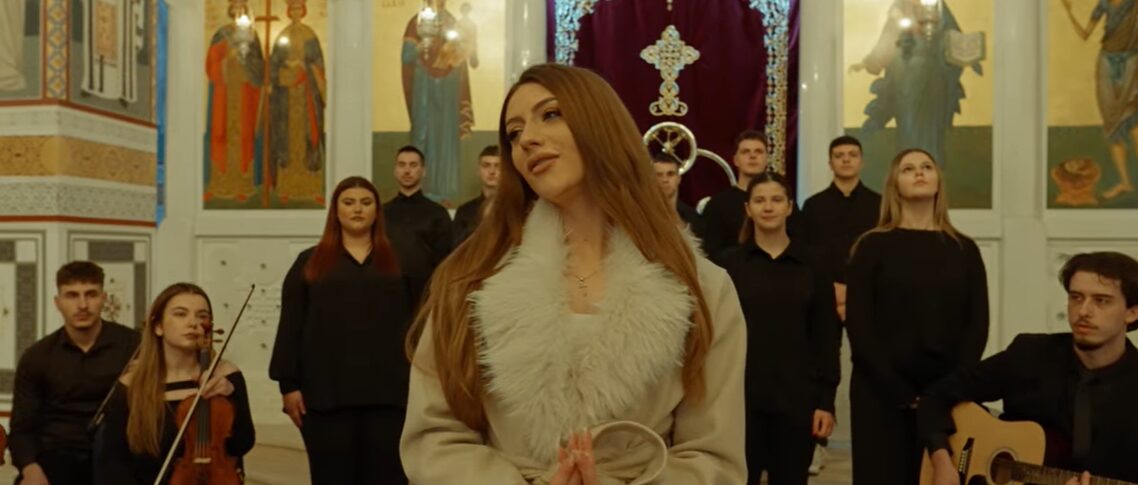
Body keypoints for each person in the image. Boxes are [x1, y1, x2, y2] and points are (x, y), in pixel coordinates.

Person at [399, 63, 747, 484]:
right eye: (514, 133)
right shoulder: (470, 280)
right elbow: (434, 438)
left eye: (550, 114)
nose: (527, 139)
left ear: (602, 125)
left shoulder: (703, 288)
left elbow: (713, 458)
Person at [920, 251, 1138, 485]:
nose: (1083, 311)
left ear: (1132, 312)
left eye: (1101, 301)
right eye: (1076, 297)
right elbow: (936, 396)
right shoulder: (1030, 354)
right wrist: (942, 462)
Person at [845, 148, 989, 484]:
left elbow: (977, 324)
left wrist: (951, 388)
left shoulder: (964, 249)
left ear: (938, 181)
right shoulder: (871, 246)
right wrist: (899, 390)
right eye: (908, 169)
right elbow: (860, 325)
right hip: (881, 392)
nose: (919, 172)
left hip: (945, 391)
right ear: (894, 185)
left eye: (926, 167)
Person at [270, 176, 414, 484]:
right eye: (348, 203)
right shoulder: (309, 262)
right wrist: (288, 385)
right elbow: (291, 325)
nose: (357, 209)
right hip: (325, 396)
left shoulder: (404, 258)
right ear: (336, 211)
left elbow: (422, 322)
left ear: (377, 210)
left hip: (390, 395)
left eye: (366, 202)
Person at [716, 172, 841, 485]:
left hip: (797, 401)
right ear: (748, 209)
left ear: (789, 207)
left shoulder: (814, 264)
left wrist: (825, 401)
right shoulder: (729, 265)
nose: (768, 207)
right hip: (741, 401)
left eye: (776, 199)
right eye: (759, 200)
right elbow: (717, 337)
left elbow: (827, 337)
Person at [94, 283, 253, 485]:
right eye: (181, 314)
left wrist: (231, 396)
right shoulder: (131, 385)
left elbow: (242, 445)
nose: (193, 323)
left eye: (202, 316)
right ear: (158, 326)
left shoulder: (225, 375)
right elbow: (113, 463)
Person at [10, 262, 139, 485]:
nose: (82, 305)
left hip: (118, 455)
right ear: (58, 303)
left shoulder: (134, 346)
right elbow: (22, 429)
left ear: (104, 298)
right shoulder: (37, 356)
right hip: (56, 457)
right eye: (72, 295)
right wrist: (30, 468)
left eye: (91, 294)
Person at [1059, 0, 1138, 200]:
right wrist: (1069, 12)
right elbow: (1085, 34)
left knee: (1133, 120)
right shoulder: (1103, 4)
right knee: (1112, 124)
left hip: (1131, 61)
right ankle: (1125, 182)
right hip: (1106, 62)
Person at [801, 135, 882, 321]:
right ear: (830, 163)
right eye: (839, 156)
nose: (846, 160)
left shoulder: (880, 204)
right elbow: (806, 250)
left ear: (862, 162)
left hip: (871, 293)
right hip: (823, 293)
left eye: (852, 155)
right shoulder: (813, 205)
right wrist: (831, 287)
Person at [384, 145, 453, 307]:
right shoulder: (381, 212)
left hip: (426, 294)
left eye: (413, 165)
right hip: (387, 292)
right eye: (402, 165)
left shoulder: (438, 213)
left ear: (423, 171)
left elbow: (446, 259)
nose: (407, 171)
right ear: (395, 170)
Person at [651, 150, 706, 244]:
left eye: (670, 174)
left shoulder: (692, 217)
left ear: (678, 179)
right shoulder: (640, 213)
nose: (665, 180)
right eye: (659, 175)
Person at [453, 145, 501, 246]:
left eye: (498, 166)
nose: (492, 171)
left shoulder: (516, 208)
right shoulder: (464, 211)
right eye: (486, 165)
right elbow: (456, 250)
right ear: (478, 171)